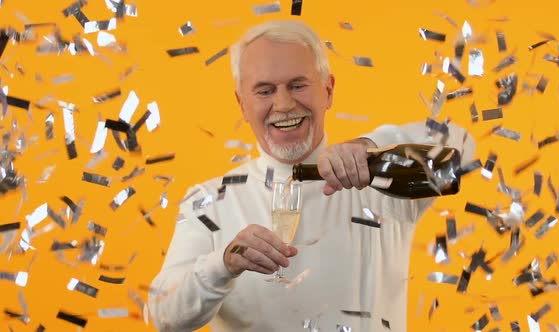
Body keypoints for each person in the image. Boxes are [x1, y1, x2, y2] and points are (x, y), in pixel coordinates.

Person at [149, 19, 475, 332]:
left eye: (297, 85)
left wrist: (371, 145)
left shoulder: (379, 181)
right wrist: (223, 264)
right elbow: (164, 317)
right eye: (264, 91)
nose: (284, 103)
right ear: (242, 104)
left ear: (328, 90)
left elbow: (464, 145)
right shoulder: (209, 202)